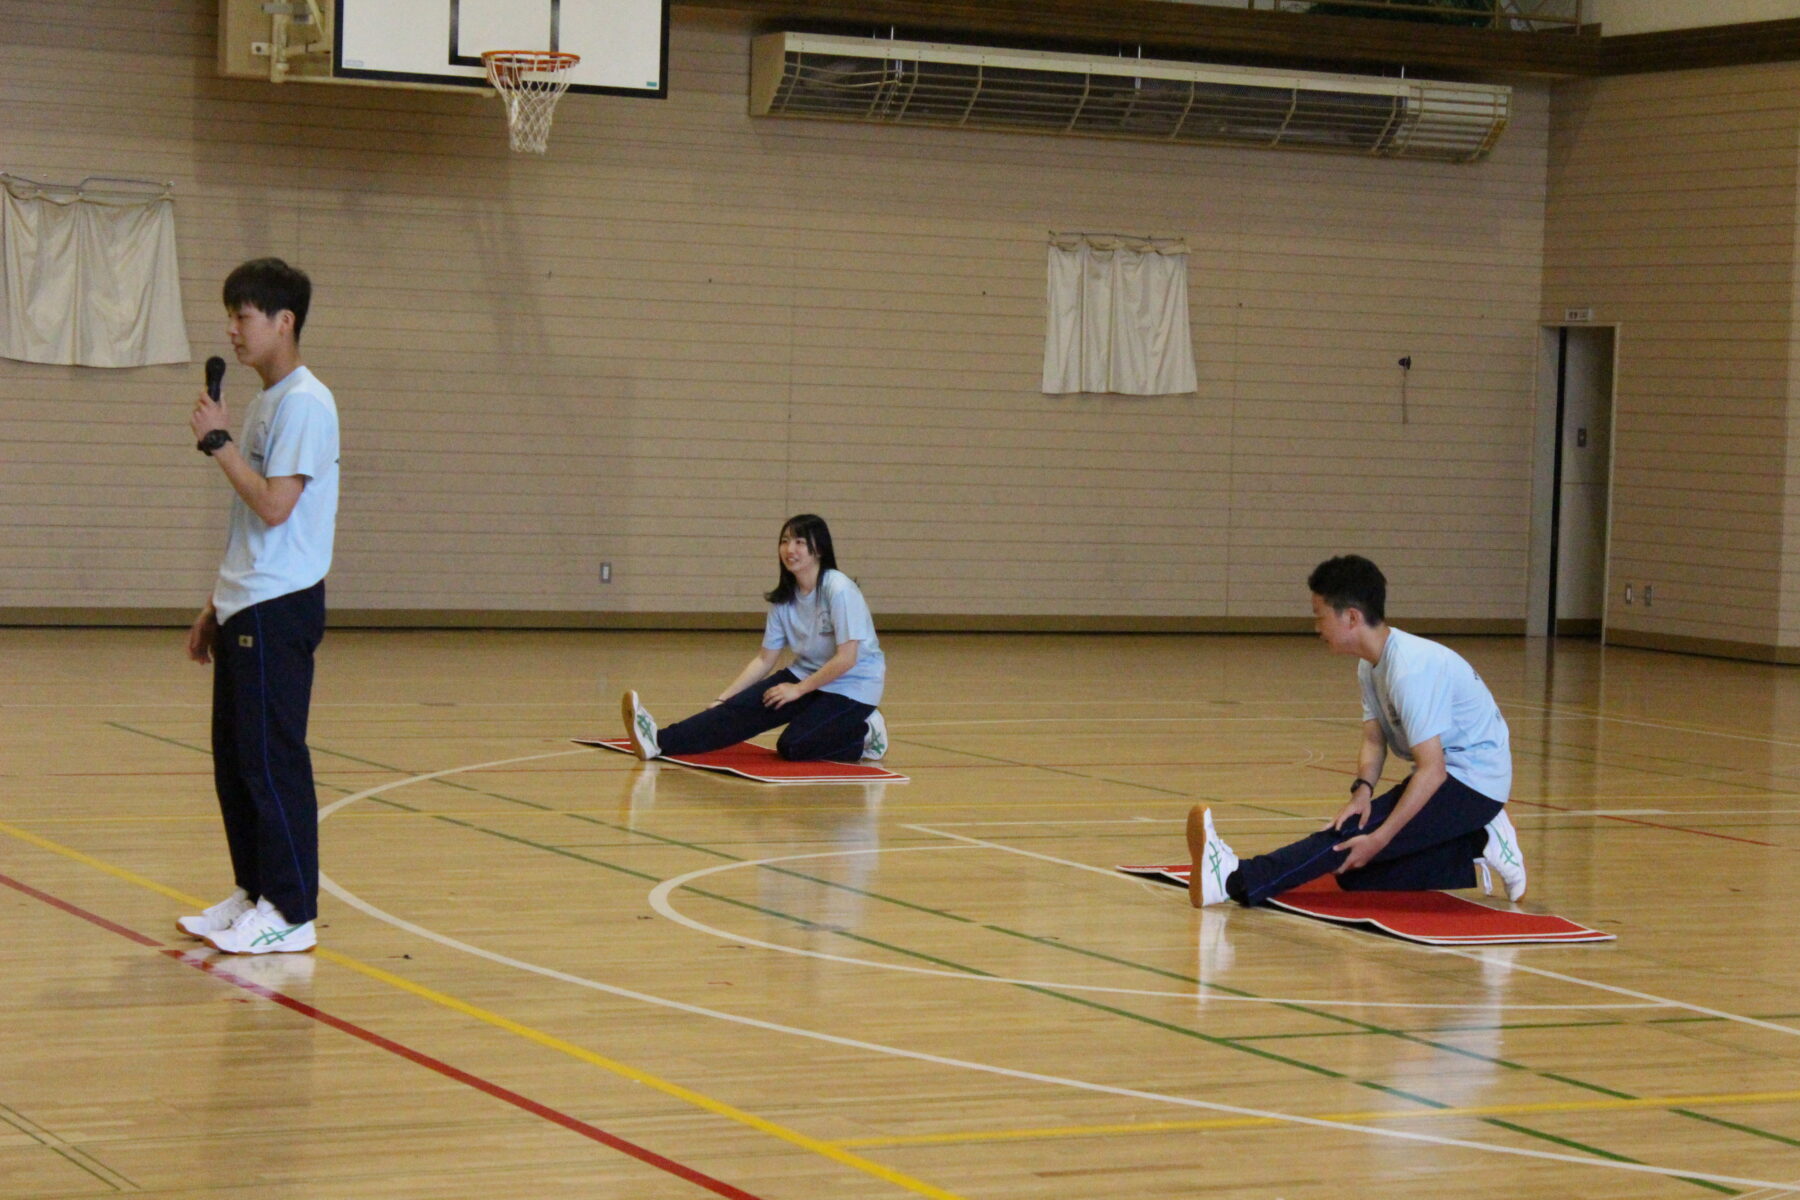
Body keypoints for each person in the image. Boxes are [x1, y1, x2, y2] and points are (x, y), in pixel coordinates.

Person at [1187, 554, 1526, 909]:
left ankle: (1233, 878)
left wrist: (1378, 837)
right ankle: (1478, 843)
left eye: (1320, 616)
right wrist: (1361, 792)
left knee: (1348, 840)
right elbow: (1373, 739)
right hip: (1450, 777)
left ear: (1351, 617)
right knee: (1353, 873)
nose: (1316, 627)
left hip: (1473, 782)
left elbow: (1432, 771)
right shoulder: (1370, 666)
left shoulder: (1410, 671)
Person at [176, 258, 339, 954]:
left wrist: (218, 442)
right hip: (249, 603)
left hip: (281, 606)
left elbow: (275, 506)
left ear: (284, 322)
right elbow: (249, 526)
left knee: (272, 759)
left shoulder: (306, 402)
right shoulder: (269, 401)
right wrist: (217, 601)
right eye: (231, 316)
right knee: (235, 759)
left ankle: (293, 912)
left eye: (243, 316)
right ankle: (256, 892)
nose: (232, 329)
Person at [622, 514, 887, 764]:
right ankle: (657, 740)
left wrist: (798, 690)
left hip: (853, 686)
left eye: (799, 542)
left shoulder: (839, 590)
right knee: (741, 710)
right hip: (806, 675)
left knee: (794, 746)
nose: (789, 549)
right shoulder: (784, 599)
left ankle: (863, 734)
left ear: (818, 549)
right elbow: (764, 660)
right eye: (784, 541)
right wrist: (724, 699)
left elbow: (847, 658)